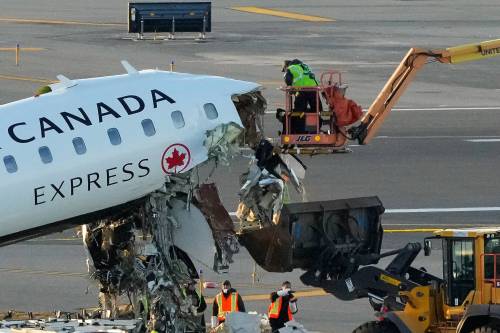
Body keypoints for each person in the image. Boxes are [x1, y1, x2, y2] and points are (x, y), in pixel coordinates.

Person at [282, 59, 322, 133]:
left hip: (302, 91)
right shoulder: (305, 67)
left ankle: (300, 131)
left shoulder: (291, 68)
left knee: (299, 111)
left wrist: (290, 87)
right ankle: (315, 129)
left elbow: (288, 79)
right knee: (317, 110)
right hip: (313, 89)